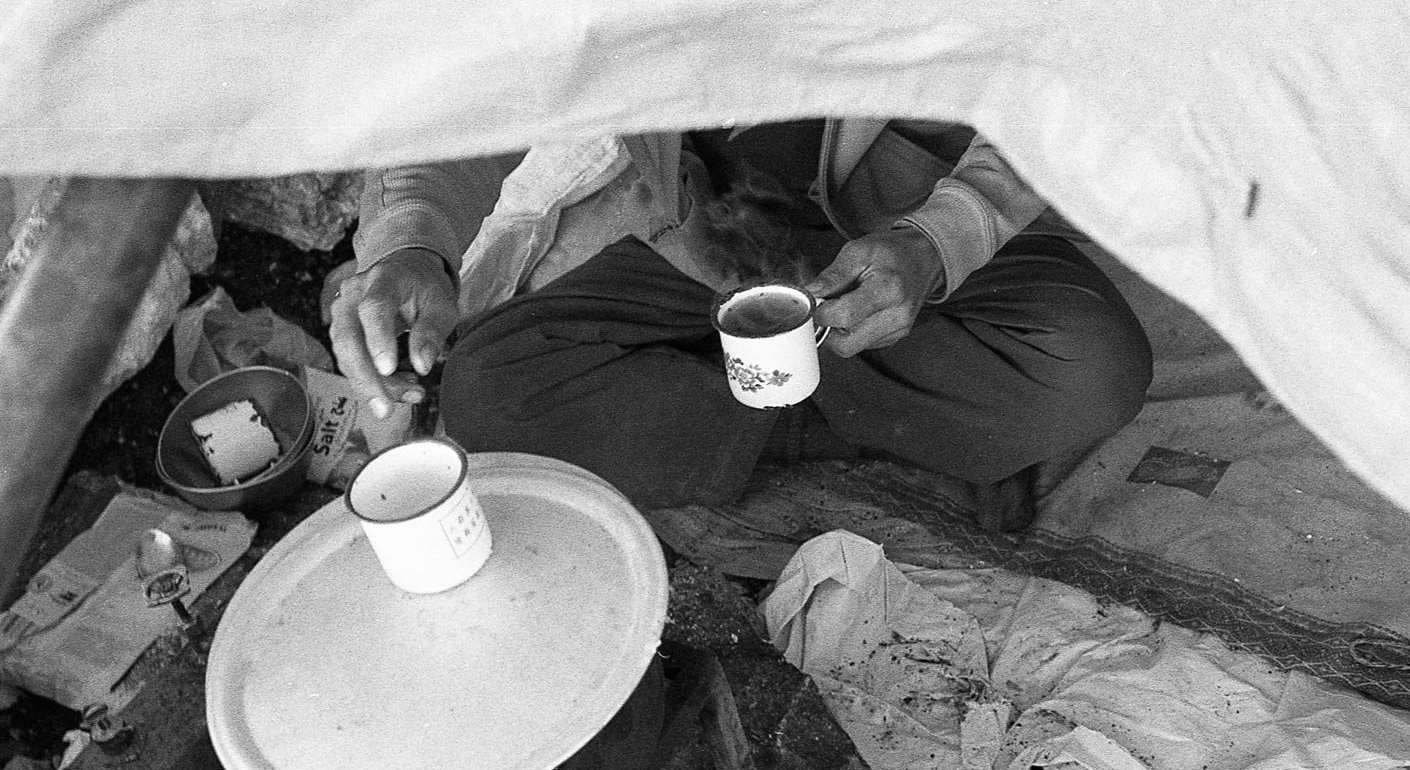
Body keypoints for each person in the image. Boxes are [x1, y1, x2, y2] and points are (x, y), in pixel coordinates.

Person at [330, 119, 1151, 532]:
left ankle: (758, 411)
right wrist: (411, 241)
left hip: (910, 231)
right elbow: (491, 72)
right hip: (705, 237)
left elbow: (1069, 84)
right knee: (488, 390)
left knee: (1092, 362)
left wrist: (946, 235)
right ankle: (903, 429)